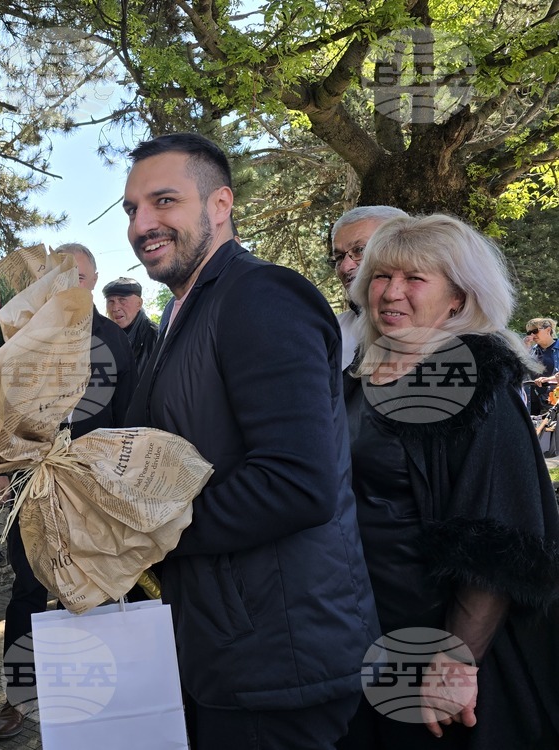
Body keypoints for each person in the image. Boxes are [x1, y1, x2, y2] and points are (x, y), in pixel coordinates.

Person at [120, 133, 378, 750]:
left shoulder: (261, 295)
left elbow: (296, 482)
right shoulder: (181, 311)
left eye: (163, 201)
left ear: (220, 204)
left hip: (278, 659)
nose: (142, 224)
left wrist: (144, 531)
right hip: (224, 646)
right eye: (132, 209)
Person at [339, 214, 559, 749]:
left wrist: (455, 660)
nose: (391, 292)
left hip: (443, 641)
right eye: (381, 276)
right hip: (366, 628)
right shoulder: (362, 375)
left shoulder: (475, 386)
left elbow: (499, 543)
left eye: (414, 279)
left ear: (458, 298)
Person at [0, 242, 137, 741]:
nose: (71, 283)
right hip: (30, 482)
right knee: (27, 589)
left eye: (80, 276)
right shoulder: (24, 333)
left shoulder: (114, 339)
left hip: (91, 488)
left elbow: (128, 417)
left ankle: (96, 692)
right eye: (62, 275)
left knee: (94, 585)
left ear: (92, 281)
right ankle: (18, 697)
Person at [329, 206, 409, 369]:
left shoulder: (443, 325)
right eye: (339, 257)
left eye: (360, 250)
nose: (345, 267)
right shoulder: (332, 331)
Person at [103, 275, 159, 375]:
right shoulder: (101, 339)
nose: (115, 308)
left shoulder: (156, 337)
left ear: (139, 304)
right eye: (110, 301)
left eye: (122, 300)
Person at [525, 317, 558, 414]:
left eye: (535, 331)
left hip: (554, 404)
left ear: (548, 330)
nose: (532, 335)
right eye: (529, 333)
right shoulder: (531, 350)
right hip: (532, 404)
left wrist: (548, 379)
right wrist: (524, 350)